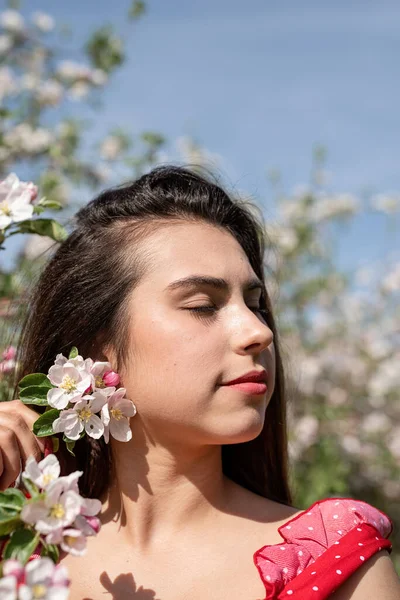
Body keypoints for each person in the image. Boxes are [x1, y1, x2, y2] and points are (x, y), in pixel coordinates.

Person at [0, 165, 398, 599]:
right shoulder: (20, 554)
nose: (259, 332)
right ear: (98, 349)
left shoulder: (334, 559)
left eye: (256, 304)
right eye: (202, 305)